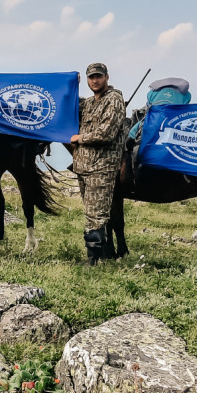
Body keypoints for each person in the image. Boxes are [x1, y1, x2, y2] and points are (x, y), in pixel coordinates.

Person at [68, 62, 125, 264]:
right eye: (91, 77)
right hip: (84, 168)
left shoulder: (114, 100)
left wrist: (79, 138)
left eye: (98, 76)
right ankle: (102, 254)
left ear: (107, 77)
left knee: (96, 215)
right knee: (91, 213)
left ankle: (95, 260)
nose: (95, 80)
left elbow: (106, 133)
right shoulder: (90, 103)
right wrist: (69, 84)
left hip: (101, 168)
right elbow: (69, 103)